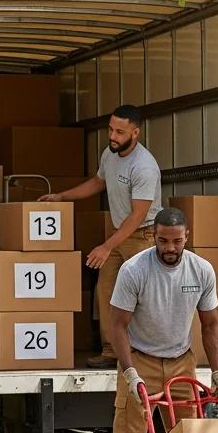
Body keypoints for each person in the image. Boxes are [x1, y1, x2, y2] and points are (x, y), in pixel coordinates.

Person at [105, 206, 218, 433]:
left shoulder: (201, 270)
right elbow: (118, 325)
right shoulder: (134, 270)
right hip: (139, 361)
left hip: (181, 362)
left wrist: (216, 371)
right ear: (153, 237)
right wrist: (129, 372)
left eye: (176, 241)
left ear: (187, 237)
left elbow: (211, 324)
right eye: (162, 241)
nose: (169, 248)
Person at [40, 104, 163, 368]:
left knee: (141, 296)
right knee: (105, 291)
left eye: (120, 132)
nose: (113, 136)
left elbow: (137, 216)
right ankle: (112, 351)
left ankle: (145, 354)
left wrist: (106, 246)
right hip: (120, 233)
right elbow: (98, 182)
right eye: (110, 129)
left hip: (143, 235)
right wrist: (62, 197)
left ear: (135, 133)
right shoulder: (110, 153)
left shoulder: (144, 167)